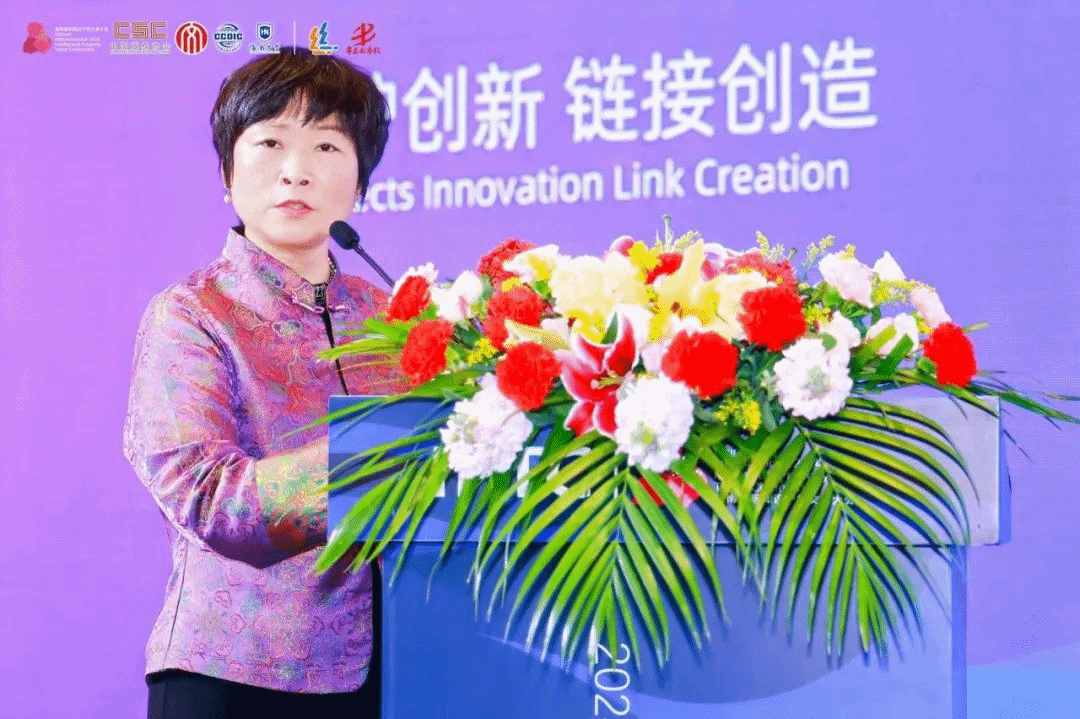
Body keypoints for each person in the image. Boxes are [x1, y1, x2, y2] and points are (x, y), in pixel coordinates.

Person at [123, 47, 399, 719]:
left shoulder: (398, 318)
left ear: (360, 182)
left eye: (327, 146)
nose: (296, 170)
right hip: (232, 674)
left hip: (394, 673)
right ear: (227, 171)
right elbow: (208, 495)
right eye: (270, 142)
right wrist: (385, 461)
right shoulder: (191, 314)